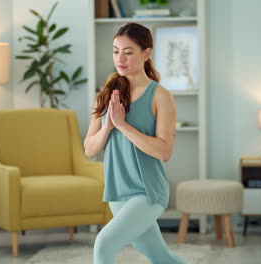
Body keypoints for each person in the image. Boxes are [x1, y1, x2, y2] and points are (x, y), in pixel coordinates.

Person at [84, 22, 185, 264]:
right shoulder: (107, 93)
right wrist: (108, 125)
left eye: (128, 52)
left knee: (104, 244)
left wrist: (122, 125)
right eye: (116, 51)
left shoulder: (160, 96)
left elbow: (164, 152)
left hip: (148, 191)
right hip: (118, 190)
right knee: (160, 257)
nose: (120, 58)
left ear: (146, 53)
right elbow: (89, 149)